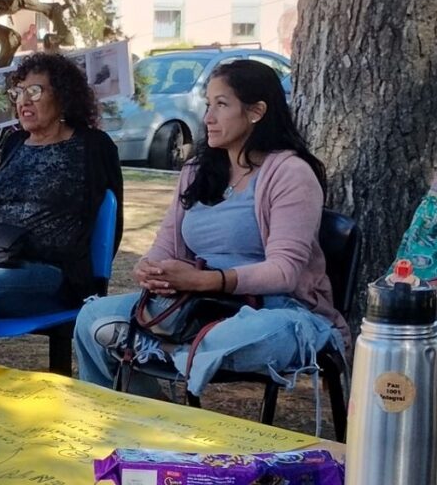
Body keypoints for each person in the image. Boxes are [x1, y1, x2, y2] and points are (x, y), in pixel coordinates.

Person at [73, 59, 350, 398]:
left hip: (278, 309)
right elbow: (167, 244)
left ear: (256, 111)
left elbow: (285, 272)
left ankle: (163, 349)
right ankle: (150, 416)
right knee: (90, 317)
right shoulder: (196, 170)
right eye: (208, 105)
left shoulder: (291, 173)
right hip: (198, 304)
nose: (208, 118)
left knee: (229, 339)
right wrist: (152, 268)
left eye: (221, 105)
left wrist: (211, 280)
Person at [0, 52, 124, 318]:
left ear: (62, 96)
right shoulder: (13, 144)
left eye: (34, 91)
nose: (23, 100)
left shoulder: (92, 146)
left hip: (55, 272)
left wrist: (95, 277)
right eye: (18, 92)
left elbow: (112, 223)